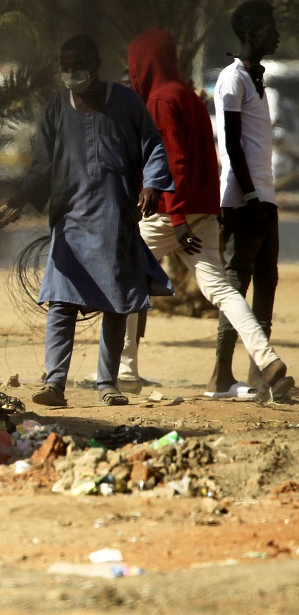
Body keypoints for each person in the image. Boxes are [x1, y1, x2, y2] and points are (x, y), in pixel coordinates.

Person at [120, 28, 292, 402]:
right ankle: (268, 360)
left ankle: (124, 371)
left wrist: (178, 221)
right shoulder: (188, 95)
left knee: (125, 273)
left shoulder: (161, 101)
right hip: (203, 211)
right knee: (223, 290)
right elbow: (207, 157)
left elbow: (174, 163)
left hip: (172, 214)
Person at [7, 34, 173, 408]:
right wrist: (22, 196)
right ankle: (55, 383)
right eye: (65, 68)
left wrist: (150, 186)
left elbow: (154, 147)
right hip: (70, 221)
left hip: (116, 219)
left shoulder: (127, 103)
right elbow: (41, 167)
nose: (71, 74)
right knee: (61, 301)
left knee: (115, 305)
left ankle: (107, 383)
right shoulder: (54, 110)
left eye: (77, 67)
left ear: (94, 65)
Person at [209, 0, 282, 396]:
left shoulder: (256, 79)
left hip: (264, 195)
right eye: (271, 28)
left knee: (267, 280)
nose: (278, 34)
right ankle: (221, 374)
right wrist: (250, 195)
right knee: (238, 280)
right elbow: (231, 143)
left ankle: (261, 374)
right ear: (253, 33)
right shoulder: (232, 79)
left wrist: (263, 196)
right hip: (242, 198)